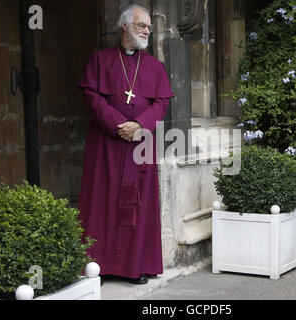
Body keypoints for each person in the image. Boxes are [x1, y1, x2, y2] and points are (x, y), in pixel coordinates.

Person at [77, 4, 174, 285]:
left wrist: (140, 126)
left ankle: (136, 267)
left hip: (140, 144)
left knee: (139, 204)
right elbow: (93, 98)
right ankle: (99, 265)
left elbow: (162, 102)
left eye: (148, 27)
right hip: (106, 143)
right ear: (124, 26)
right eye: (141, 25)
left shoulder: (155, 66)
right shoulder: (100, 60)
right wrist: (119, 126)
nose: (146, 31)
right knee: (102, 200)